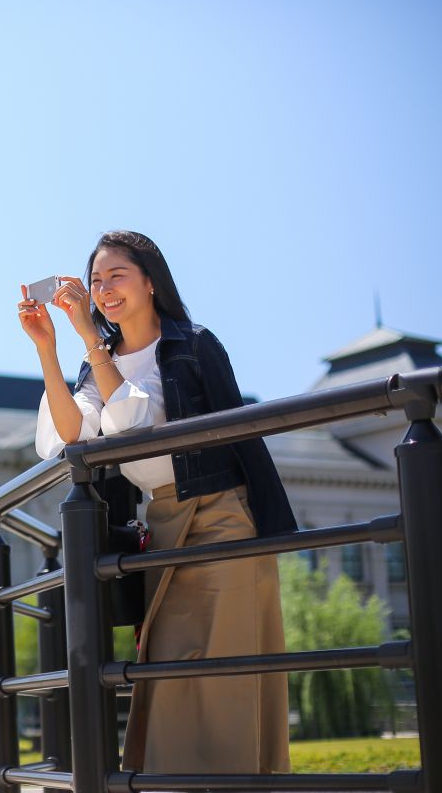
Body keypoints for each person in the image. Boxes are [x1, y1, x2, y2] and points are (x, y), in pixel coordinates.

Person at [17, 230, 295, 774]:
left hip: (221, 512)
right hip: (163, 521)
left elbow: (141, 423)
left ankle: (237, 782)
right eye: (95, 280)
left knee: (226, 663)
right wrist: (49, 348)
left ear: (150, 281)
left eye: (116, 275)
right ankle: (173, 782)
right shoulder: (96, 361)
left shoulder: (193, 344)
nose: (103, 289)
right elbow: (73, 435)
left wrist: (91, 342)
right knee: (166, 664)